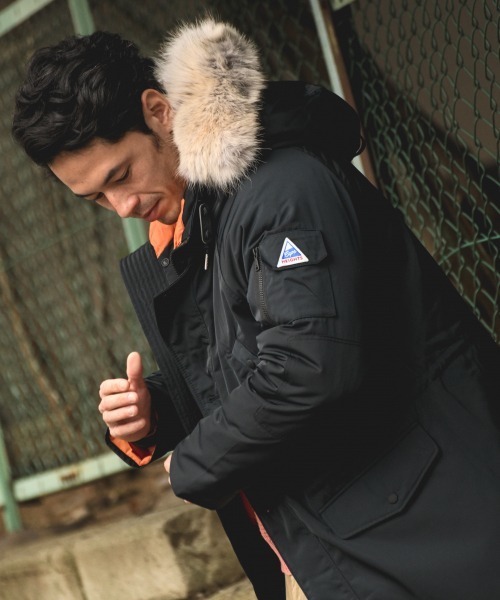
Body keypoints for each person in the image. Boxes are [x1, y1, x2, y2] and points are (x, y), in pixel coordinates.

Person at [12, 19, 500, 600]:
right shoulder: (199, 221)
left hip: (425, 531)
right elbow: (239, 360)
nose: (120, 207)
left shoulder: (280, 189)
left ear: (158, 112)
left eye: (120, 175)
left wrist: (191, 462)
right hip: (341, 539)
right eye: (94, 197)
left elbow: (309, 365)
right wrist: (154, 414)